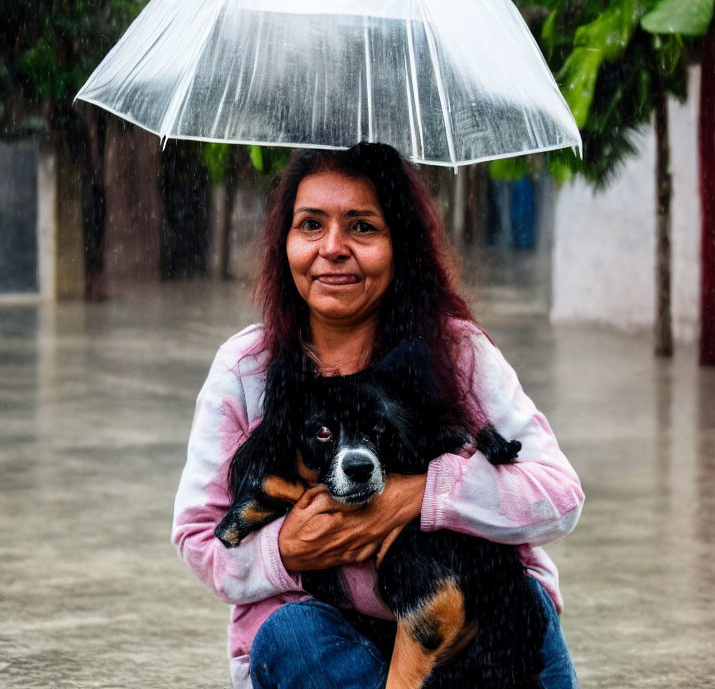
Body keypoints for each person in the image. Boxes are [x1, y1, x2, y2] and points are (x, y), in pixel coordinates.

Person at [172, 142, 584, 689]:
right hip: (327, 646)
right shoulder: (247, 368)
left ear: (399, 247)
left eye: (362, 227)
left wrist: (422, 494)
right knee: (290, 635)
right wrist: (287, 549)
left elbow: (559, 497)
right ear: (284, 243)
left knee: (515, 600)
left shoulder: (457, 351)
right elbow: (200, 536)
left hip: (484, 631)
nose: (333, 248)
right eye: (311, 225)